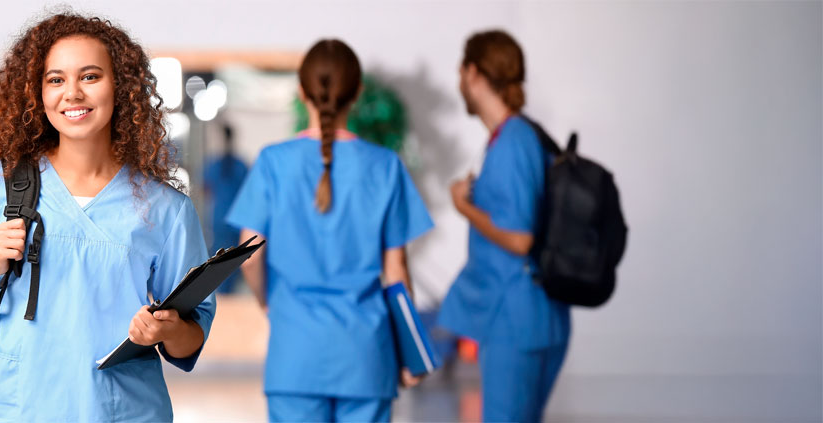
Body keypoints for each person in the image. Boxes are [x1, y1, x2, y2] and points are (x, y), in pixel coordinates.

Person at [0, 13, 213, 421]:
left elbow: (191, 335)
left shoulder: (165, 211)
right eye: (55, 80)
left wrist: (165, 330)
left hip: (122, 410)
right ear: (38, 93)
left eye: (90, 76)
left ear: (120, 87)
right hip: (19, 407)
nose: (72, 93)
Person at [226, 39, 434, 423]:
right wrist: (407, 348)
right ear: (357, 93)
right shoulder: (385, 166)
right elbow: (397, 273)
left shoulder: (274, 162)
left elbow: (248, 254)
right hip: (366, 357)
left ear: (301, 91)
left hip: (295, 355)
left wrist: (267, 301)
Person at [437, 29, 571, 423]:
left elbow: (519, 237)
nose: (460, 81)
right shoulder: (514, 138)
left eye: (462, 72)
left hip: (517, 324)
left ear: (474, 74)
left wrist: (464, 207)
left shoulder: (513, 142)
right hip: (531, 316)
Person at [202, 124, 248, 293]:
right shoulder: (240, 166)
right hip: (235, 220)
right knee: (233, 263)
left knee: (218, 261)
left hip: (219, 219)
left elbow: (206, 190)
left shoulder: (213, 165)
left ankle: (221, 296)